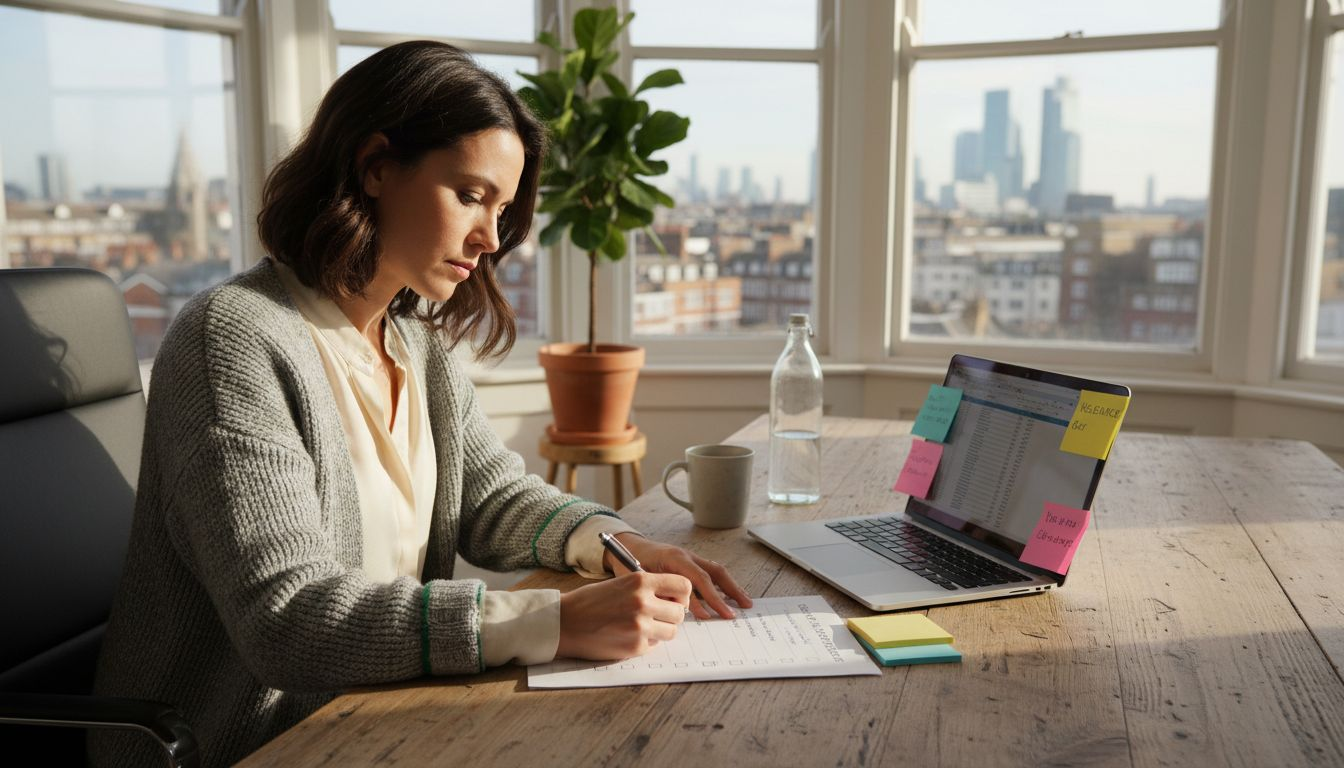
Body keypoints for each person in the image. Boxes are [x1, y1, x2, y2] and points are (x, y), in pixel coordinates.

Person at [91, 40, 751, 768]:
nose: (490, 238)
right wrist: (551, 619)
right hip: (243, 746)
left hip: (382, 719)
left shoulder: (413, 342)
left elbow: (491, 499)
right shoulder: (233, 339)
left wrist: (614, 543)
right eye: (470, 195)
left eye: (501, 209)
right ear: (375, 167)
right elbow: (287, 621)